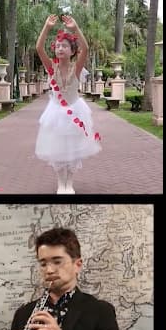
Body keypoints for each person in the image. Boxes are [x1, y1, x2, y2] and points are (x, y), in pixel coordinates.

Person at [0, 227, 122, 330]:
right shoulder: (24, 314)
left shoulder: (101, 311)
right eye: (43, 263)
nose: (49, 270)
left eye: (57, 261)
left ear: (78, 265)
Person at [34, 15, 101, 195]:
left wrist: (75, 28)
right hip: (55, 113)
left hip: (75, 112)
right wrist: (47, 27)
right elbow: (39, 48)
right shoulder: (51, 68)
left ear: (72, 51)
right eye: (58, 46)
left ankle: (69, 182)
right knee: (57, 148)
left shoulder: (77, 68)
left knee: (72, 148)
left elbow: (85, 48)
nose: (60, 48)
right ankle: (60, 183)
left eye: (65, 46)